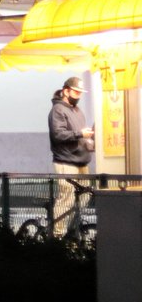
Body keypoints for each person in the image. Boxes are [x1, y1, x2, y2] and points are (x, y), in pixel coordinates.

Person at [49, 76, 94, 237]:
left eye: (80, 92)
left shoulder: (77, 110)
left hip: (81, 162)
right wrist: (79, 134)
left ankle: (71, 230)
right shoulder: (58, 110)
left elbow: (79, 136)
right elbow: (58, 134)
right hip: (65, 162)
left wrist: (88, 144)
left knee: (85, 195)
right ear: (65, 91)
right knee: (66, 198)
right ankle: (58, 236)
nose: (78, 96)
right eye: (76, 92)